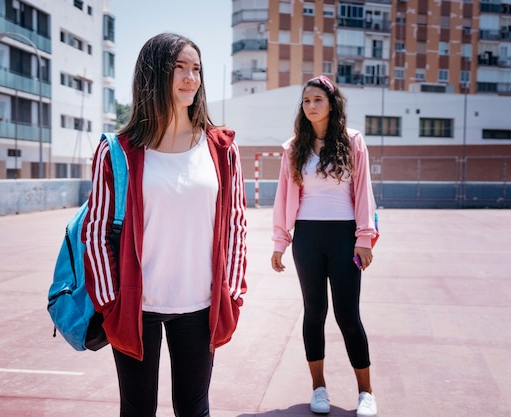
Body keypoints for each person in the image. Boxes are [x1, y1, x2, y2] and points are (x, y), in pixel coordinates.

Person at [82, 32, 248, 417]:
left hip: (201, 303)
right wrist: (111, 302)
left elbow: (237, 224)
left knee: (194, 410)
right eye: (180, 68)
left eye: (197, 69)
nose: (191, 78)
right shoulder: (118, 150)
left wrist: (233, 291)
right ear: (154, 74)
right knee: (137, 411)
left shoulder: (221, 149)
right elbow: (95, 232)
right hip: (136, 306)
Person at [270, 75, 379, 417]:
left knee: (348, 316)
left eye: (318, 99)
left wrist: (364, 238)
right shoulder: (293, 147)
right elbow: (283, 198)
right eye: (306, 101)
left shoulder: (352, 141)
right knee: (314, 313)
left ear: (332, 104)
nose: (311, 106)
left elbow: (364, 193)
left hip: (345, 235)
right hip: (307, 238)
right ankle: (318, 388)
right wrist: (280, 241)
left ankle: (366, 392)